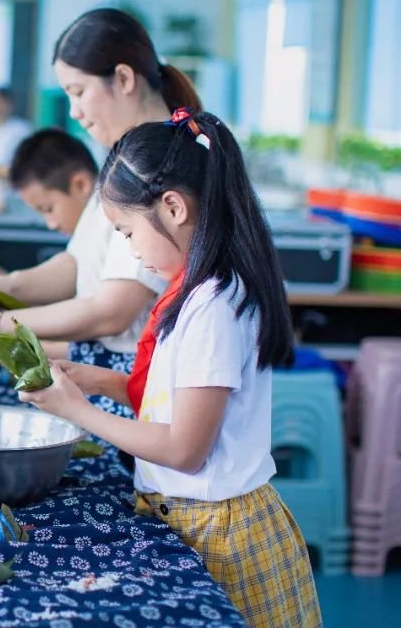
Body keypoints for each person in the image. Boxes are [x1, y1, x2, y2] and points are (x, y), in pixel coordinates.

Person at [20, 110, 321, 627]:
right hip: (194, 518)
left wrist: (78, 411)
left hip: (224, 535)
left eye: (128, 233)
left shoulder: (214, 305)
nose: (132, 251)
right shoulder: (196, 291)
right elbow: (183, 405)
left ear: (174, 207)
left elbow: (185, 448)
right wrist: (103, 384)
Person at [0, 7, 200, 418]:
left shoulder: (163, 167)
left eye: (78, 91)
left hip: (140, 387)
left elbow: (113, 309)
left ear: (124, 79)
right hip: (110, 375)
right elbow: (77, 265)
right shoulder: (124, 160)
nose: (73, 111)